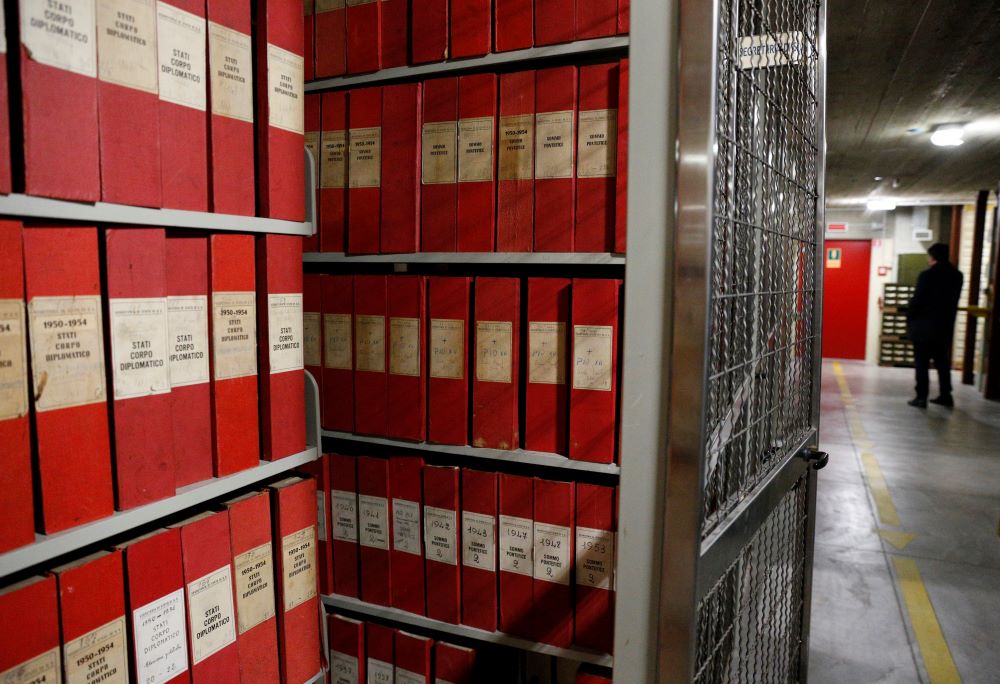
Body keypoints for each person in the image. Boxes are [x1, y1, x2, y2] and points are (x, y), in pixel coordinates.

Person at [906, 243, 964, 408]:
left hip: (923, 326)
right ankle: (946, 394)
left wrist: (910, 318)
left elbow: (918, 300)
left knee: (922, 363)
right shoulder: (957, 276)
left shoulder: (927, 275)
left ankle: (921, 397)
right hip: (944, 326)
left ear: (933, 257)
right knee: (942, 362)